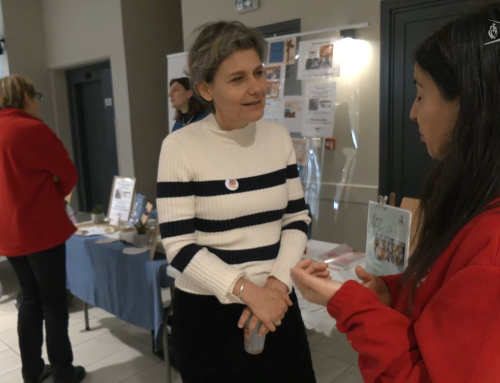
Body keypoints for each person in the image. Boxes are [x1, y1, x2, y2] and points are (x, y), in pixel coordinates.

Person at [292, 4, 500, 383]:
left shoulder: (492, 247)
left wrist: (348, 302)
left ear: (470, 105)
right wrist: (394, 295)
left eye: (421, 94)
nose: (412, 112)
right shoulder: (463, 191)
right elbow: (440, 297)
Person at [157, 22, 317, 383]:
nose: (257, 88)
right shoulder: (181, 147)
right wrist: (247, 291)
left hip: (277, 304)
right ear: (205, 89)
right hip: (208, 312)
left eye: (259, 72)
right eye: (238, 79)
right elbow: (178, 244)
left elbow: (297, 218)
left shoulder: (277, 138)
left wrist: (274, 288)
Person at [0, 75, 86, 383]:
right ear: (25, 97)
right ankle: (63, 371)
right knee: (53, 302)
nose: (38, 102)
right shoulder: (32, 130)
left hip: (8, 233)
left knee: (29, 298)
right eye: (36, 96)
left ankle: (32, 371)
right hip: (40, 230)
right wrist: (52, 189)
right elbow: (69, 175)